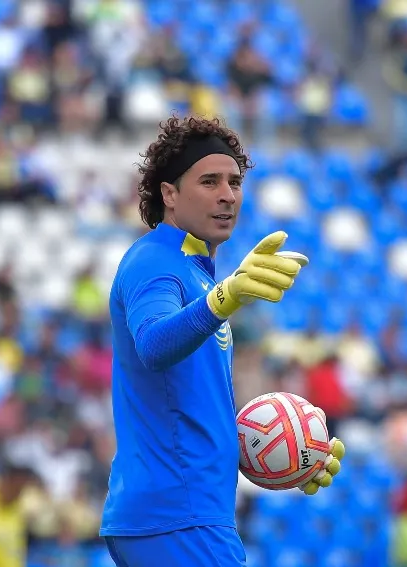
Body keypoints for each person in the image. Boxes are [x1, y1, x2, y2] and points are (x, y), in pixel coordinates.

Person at [99, 115, 346, 567]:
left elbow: (186, 409)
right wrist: (224, 298)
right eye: (208, 181)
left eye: (234, 181)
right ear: (169, 193)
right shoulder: (153, 261)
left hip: (184, 514)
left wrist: (289, 451)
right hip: (178, 516)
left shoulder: (193, 272)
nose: (227, 194)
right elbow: (153, 345)